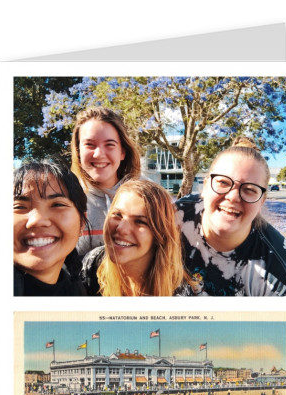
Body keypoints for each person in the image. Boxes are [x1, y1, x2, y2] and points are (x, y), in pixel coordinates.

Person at [176, 137, 286, 296]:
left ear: (262, 201)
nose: (233, 197)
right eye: (223, 183)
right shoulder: (172, 217)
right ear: (205, 186)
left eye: (249, 189)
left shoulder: (281, 274)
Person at [81, 180, 193, 296]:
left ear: (160, 234)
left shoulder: (178, 293)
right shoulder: (92, 264)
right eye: (117, 215)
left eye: (140, 222)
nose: (121, 229)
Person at [71, 106, 141, 257]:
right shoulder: (66, 200)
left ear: (122, 152)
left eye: (109, 144)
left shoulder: (146, 197)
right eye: (89, 144)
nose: (99, 154)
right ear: (78, 151)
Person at [13, 158, 89, 296]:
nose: (37, 220)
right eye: (19, 207)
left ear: (82, 223)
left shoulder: (77, 292)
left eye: (57, 205)